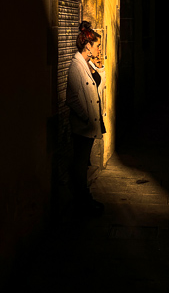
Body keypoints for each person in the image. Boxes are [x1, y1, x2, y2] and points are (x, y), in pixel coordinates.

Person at [66, 21, 106, 216]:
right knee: (80, 165)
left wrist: (100, 67)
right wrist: (87, 118)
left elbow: (99, 86)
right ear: (87, 46)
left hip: (89, 126)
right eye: (97, 45)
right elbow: (72, 98)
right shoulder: (76, 66)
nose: (99, 48)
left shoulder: (87, 64)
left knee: (84, 164)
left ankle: (85, 199)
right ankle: (82, 202)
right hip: (82, 127)